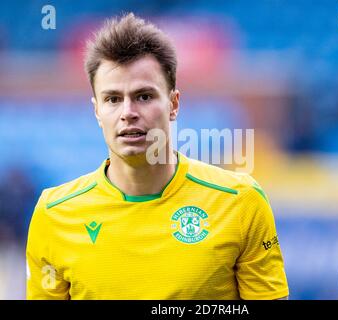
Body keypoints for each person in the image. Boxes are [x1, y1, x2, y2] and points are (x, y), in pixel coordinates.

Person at [26, 13, 289, 300]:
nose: (128, 112)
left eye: (144, 96)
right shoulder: (54, 214)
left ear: (173, 104)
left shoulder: (240, 202)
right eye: (113, 99)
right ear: (97, 111)